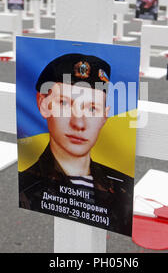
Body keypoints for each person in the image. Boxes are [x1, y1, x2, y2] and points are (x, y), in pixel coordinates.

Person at [18, 53, 133, 236]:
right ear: (43, 104)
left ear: (105, 115)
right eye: (64, 104)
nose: (78, 123)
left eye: (92, 108)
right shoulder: (26, 187)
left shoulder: (124, 188)